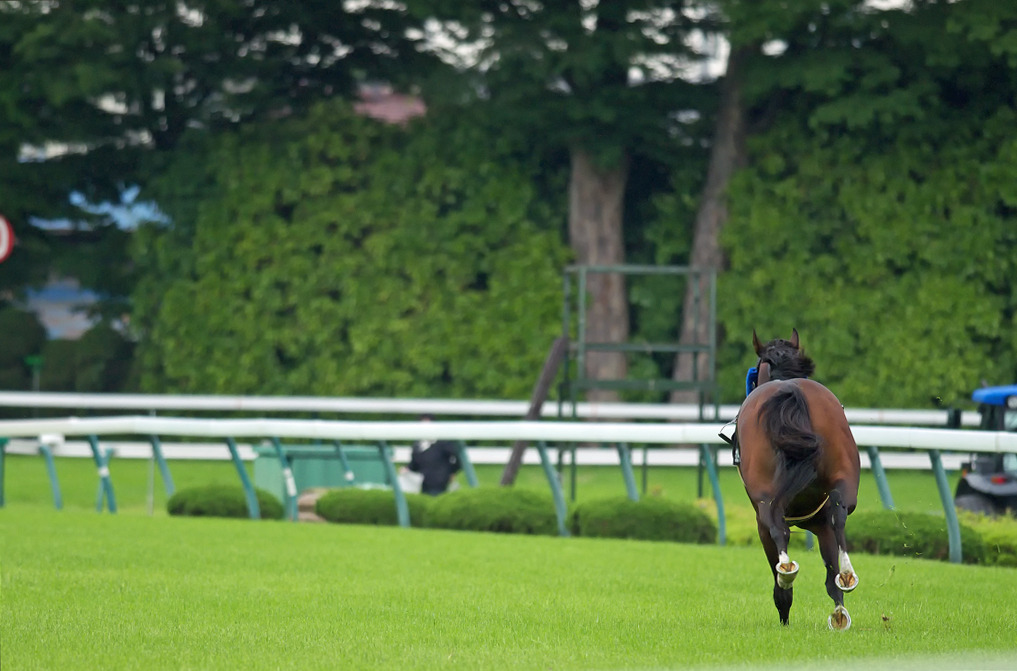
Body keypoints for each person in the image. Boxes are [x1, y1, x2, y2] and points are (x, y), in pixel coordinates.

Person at [402, 414, 461, 495]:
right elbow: (415, 464)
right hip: (424, 483)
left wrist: (452, 472)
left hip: (440, 482)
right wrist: (407, 468)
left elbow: (457, 458)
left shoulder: (443, 442)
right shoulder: (418, 445)